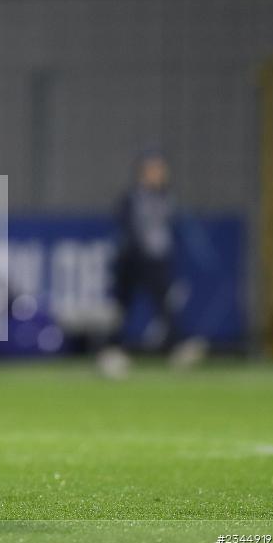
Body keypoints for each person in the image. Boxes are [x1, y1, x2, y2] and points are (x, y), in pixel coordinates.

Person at [97, 148, 206, 379]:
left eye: (161, 170)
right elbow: (127, 227)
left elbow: (169, 230)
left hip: (157, 260)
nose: (159, 174)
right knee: (122, 306)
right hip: (133, 259)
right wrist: (134, 252)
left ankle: (177, 345)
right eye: (154, 170)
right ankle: (111, 349)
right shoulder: (132, 197)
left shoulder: (166, 197)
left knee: (164, 302)